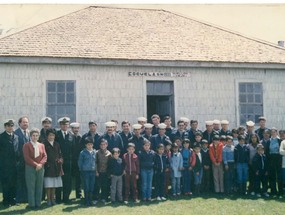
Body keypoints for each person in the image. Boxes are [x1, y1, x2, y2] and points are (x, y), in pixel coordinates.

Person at [23, 128, 47, 209]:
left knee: (39, 186)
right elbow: (27, 158)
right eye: (33, 135)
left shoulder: (41, 145)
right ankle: (32, 204)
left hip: (40, 168)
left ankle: (38, 203)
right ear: (30, 136)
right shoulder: (26, 145)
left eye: (37, 135)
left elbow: (45, 156)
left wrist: (40, 164)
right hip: (30, 168)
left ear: (38, 136)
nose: (35, 137)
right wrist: (36, 165)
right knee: (31, 186)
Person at [0, 119, 19, 207]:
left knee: (14, 183)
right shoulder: (1, 137)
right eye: (8, 126)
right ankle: (6, 201)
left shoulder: (16, 137)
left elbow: (17, 150)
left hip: (15, 165)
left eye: (12, 126)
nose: (10, 127)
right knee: (6, 183)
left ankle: (12, 199)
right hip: (5, 165)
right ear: (5, 127)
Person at [55, 117, 72, 204]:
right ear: (60, 125)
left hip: (68, 162)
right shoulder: (56, 135)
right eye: (63, 124)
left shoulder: (71, 135)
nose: (65, 126)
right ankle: (58, 198)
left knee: (67, 181)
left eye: (66, 124)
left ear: (68, 125)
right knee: (58, 180)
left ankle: (66, 198)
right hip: (59, 161)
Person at [44, 128, 63, 206]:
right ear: (47, 136)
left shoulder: (57, 144)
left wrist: (61, 159)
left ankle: (53, 199)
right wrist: (46, 163)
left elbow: (60, 153)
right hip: (48, 166)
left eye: (53, 135)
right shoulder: (44, 144)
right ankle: (48, 200)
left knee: (54, 184)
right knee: (49, 185)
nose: (52, 137)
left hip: (56, 167)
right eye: (50, 135)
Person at [14, 116, 30, 204]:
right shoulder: (16, 133)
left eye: (27, 122)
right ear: (19, 123)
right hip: (19, 161)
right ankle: (18, 198)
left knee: (26, 180)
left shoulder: (29, 133)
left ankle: (25, 198)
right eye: (24, 122)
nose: (25, 124)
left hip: (28, 162)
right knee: (19, 181)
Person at [78, 137, 96, 206]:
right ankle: (86, 201)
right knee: (86, 186)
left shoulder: (95, 152)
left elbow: (96, 162)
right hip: (85, 172)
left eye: (91, 144)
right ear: (85, 145)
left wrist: (96, 170)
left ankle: (90, 200)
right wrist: (81, 170)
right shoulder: (82, 153)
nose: (90, 146)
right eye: (88, 144)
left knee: (91, 186)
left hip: (93, 172)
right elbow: (80, 163)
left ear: (93, 145)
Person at [266, 127, 283, 196]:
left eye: (274, 132)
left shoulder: (280, 141)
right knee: (272, 175)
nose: (273, 133)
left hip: (278, 159)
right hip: (271, 159)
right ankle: (273, 190)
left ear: (276, 133)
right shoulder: (268, 141)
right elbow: (267, 151)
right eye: (272, 132)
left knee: (279, 176)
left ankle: (280, 190)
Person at [69, 122, 83, 199]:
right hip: (70, 161)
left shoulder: (80, 137)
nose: (76, 130)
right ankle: (68, 194)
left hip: (78, 161)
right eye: (74, 128)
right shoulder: (69, 137)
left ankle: (79, 194)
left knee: (78, 178)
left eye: (77, 128)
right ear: (72, 129)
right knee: (69, 178)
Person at [96, 138, 112, 204]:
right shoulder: (97, 152)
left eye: (104, 144)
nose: (103, 146)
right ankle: (95, 198)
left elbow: (110, 164)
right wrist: (96, 171)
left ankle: (104, 198)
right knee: (97, 185)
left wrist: (109, 173)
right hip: (99, 172)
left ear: (107, 145)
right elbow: (95, 162)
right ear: (100, 145)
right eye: (101, 144)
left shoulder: (109, 153)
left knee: (105, 186)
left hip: (106, 172)